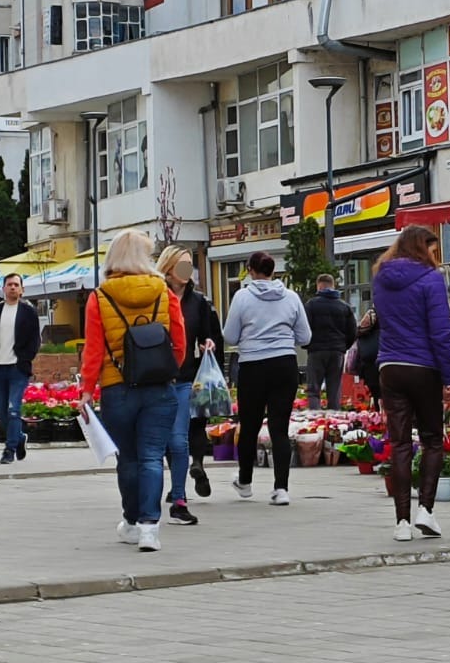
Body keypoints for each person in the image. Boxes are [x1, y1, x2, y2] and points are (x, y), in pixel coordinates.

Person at [80, 232, 186, 552]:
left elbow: (94, 350)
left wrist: (87, 389)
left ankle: (131, 521)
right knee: (153, 457)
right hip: (159, 387)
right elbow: (179, 344)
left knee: (128, 459)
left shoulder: (99, 297)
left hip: (118, 388)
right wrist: (166, 369)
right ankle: (150, 529)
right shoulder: (165, 293)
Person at [372, 225, 450, 542]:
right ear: (423, 248)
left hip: (390, 366)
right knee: (433, 439)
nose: (435, 256)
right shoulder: (431, 278)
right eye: (433, 250)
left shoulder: (380, 275)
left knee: (399, 444)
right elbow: (440, 332)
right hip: (423, 367)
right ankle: (426, 509)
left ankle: (401, 523)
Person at [222, 251, 310, 506]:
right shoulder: (291, 297)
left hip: (253, 366)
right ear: (273, 270)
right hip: (285, 365)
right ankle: (281, 488)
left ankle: (245, 482)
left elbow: (230, 336)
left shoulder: (242, 297)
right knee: (279, 428)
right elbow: (305, 337)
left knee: (249, 426)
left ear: (250, 270)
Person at [156, 246, 222, 524]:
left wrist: (208, 343)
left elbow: (207, 334)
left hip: (185, 378)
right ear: (168, 268)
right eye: (181, 265)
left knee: (179, 440)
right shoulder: (155, 298)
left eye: (189, 265)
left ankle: (179, 499)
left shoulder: (198, 303)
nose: (187, 271)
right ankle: (146, 500)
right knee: (155, 443)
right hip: (156, 378)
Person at [0, 272, 41, 465]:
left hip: (17, 368)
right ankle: (19, 438)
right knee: (1, 412)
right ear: (4, 288)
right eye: (9, 284)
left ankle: (9, 449)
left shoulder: (28, 312)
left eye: (16, 284)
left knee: (13, 409)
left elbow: (35, 340)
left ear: (22, 289)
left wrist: (24, 359)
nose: (13, 287)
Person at [305, 273, 357, 410]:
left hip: (316, 351)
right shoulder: (344, 307)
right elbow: (352, 331)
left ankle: (314, 419)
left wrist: (307, 345)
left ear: (318, 286)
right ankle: (334, 424)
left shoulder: (311, 305)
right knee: (334, 390)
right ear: (333, 286)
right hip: (337, 351)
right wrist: (343, 347)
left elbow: (304, 329)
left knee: (313, 390)